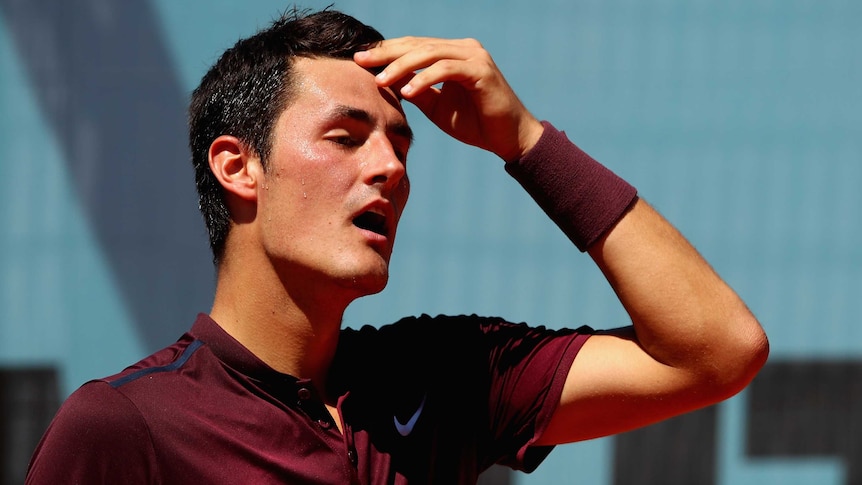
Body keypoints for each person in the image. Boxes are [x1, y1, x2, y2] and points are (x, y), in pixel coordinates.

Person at [26, 7, 768, 485]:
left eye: (400, 147)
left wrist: (525, 142)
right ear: (237, 165)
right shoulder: (121, 427)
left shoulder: (443, 378)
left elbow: (718, 350)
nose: (389, 169)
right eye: (346, 138)